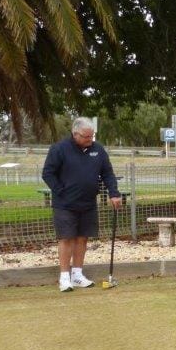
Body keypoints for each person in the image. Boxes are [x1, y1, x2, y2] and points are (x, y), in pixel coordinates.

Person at [42, 117, 122, 292]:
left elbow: (108, 173)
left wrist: (114, 193)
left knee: (82, 238)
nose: (90, 140)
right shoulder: (59, 149)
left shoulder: (98, 150)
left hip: (88, 202)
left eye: (91, 136)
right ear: (75, 134)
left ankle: (77, 275)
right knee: (66, 238)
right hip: (64, 204)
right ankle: (64, 277)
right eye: (86, 137)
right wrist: (61, 191)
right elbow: (48, 173)